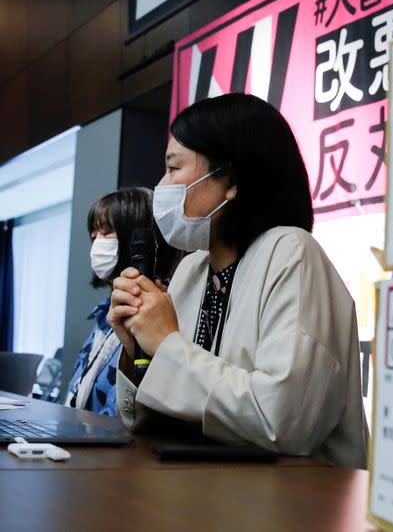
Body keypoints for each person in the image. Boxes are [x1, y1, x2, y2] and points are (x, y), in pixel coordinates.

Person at [108, 93, 369, 468]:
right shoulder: (194, 268)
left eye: (173, 169)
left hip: (298, 505)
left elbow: (282, 422)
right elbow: (147, 421)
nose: (161, 185)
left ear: (229, 181)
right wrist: (138, 350)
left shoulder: (292, 251)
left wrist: (166, 344)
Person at [65, 188, 180, 416]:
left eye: (107, 232)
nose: (97, 242)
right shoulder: (102, 314)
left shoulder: (162, 309)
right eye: (94, 235)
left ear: (136, 239)